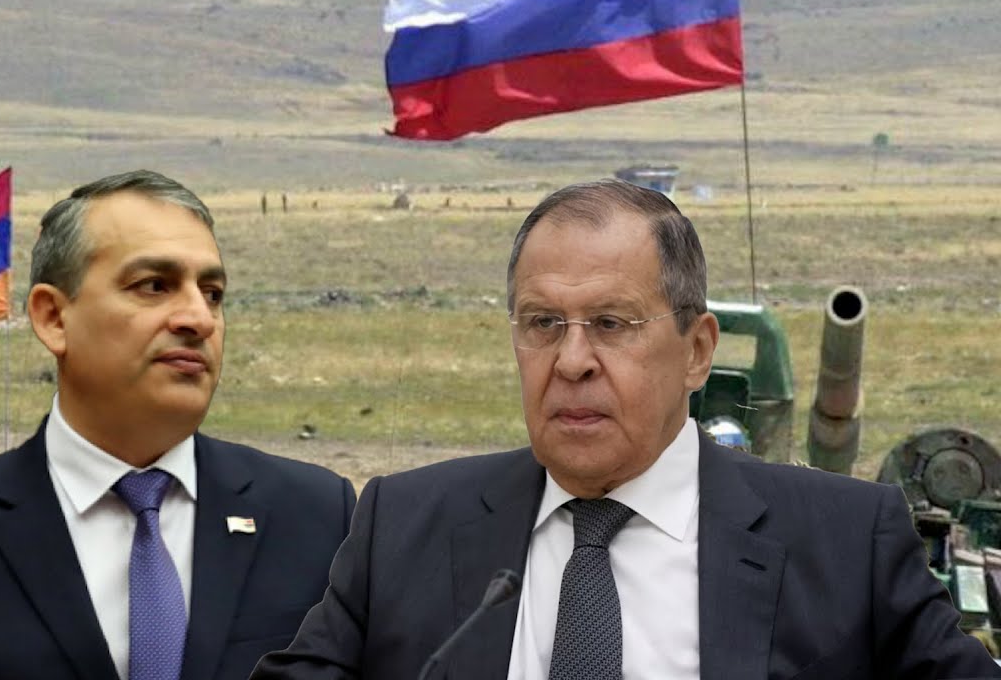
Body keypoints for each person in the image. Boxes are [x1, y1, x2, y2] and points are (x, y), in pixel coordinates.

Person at [253, 179, 999, 680]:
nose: (572, 361)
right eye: (542, 324)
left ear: (697, 351)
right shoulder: (403, 527)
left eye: (611, 324)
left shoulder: (845, 543)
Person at [0, 170, 357, 680]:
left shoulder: (316, 516)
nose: (199, 319)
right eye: (154, 286)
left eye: (213, 293)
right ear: (53, 318)